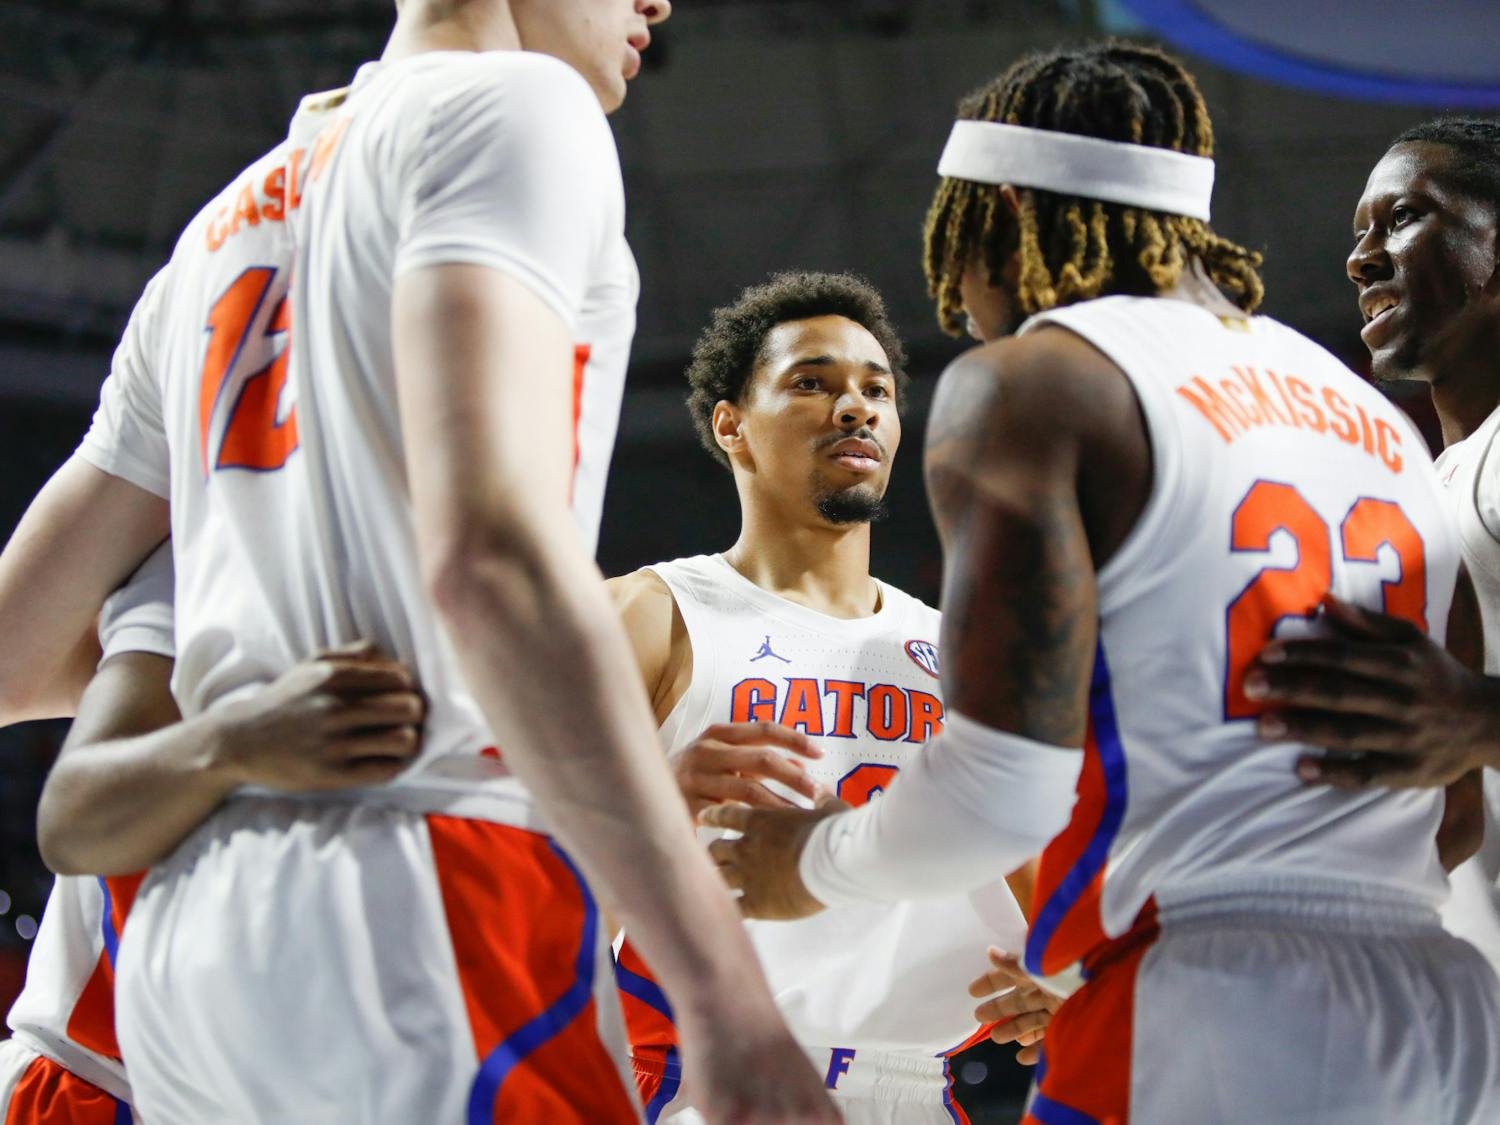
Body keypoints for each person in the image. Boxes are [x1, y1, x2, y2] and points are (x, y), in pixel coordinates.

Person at [0, 0, 835, 1121]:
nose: (658, 2)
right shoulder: (520, 107)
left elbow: (14, 657)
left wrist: (247, 698)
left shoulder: (219, 230)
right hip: (423, 884)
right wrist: (725, 1004)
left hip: (193, 937)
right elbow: (494, 565)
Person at [700, 41, 1500, 1123]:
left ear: (1006, 218)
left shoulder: (1037, 381)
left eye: (957, 246)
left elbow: (1000, 791)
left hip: (1208, 1003)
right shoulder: (1372, 419)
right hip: (1438, 1007)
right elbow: (1449, 819)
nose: (963, 301)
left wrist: (814, 862)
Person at [606, 271, 1050, 1123]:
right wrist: (654, 810)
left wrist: (1062, 977)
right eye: (812, 382)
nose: (856, 408)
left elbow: (1046, 880)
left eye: (875, 389)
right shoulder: (651, 613)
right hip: (707, 1078)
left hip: (929, 1090)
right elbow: (520, 870)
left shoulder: (968, 649)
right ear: (730, 422)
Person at [0, 545, 425, 1123]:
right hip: (104, 1088)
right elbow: (72, 819)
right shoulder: (209, 550)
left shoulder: (511, 607)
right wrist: (235, 745)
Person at [1249, 117, 1500, 972]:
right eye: (1360, 232)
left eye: (1402, 218)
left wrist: (1480, 716)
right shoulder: (1415, 496)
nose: (1361, 260)